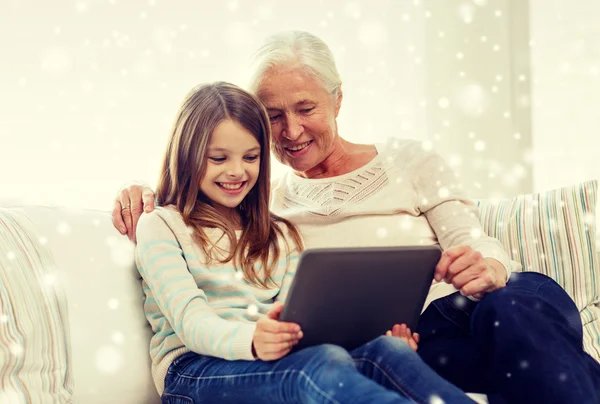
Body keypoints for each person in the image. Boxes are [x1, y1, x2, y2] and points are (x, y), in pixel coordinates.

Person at [116, 32, 600, 403]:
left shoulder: (407, 163)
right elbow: (203, 193)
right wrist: (150, 192)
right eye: (273, 116)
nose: (292, 130)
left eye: (306, 108)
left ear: (338, 100)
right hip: (416, 340)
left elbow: (474, 238)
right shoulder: (267, 207)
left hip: (477, 308)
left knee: (509, 306)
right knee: (521, 359)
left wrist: (488, 266)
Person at [135, 81, 476, 403]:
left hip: (269, 361)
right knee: (316, 367)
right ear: (186, 156)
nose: (237, 171)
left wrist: (371, 338)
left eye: (250, 157)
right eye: (219, 158)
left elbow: (300, 322)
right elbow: (192, 323)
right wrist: (252, 341)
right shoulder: (161, 226)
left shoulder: (278, 234)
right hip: (193, 372)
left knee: (388, 352)